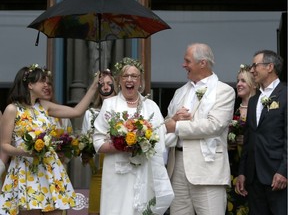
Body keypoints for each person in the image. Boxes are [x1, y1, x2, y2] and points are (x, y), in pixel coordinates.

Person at [0, 64, 98, 215]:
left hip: (49, 168)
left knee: (57, 211)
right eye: (42, 81)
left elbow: (77, 111)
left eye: (47, 81)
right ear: (30, 85)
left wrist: (93, 87)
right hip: (26, 169)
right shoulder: (12, 109)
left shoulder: (44, 105)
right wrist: (26, 152)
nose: (46, 85)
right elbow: (4, 145)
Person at [93, 57, 174, 215]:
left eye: (134, 76)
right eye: (125, 76)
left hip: (145, 172)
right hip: (118, 175)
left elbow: (161, 140)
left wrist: (171, 126)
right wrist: (121, 145)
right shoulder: (110, 105)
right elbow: (97, 142)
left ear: (140, 81)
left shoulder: (151, 106)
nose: (129, 79)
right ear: (119, 81)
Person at [165, 43, 235, 215]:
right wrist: (173, 120)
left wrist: (178, 126)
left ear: (202, 63)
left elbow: (214, 125)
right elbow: (167, 122)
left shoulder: (223, 91)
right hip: (177, 165)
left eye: (187, 61)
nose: (183, 65)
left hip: (207, 168)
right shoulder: (180, 92)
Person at [235, 50, 287, 215]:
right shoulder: (254, 100)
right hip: (253, 177)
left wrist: (284, 171)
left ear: (270, 67)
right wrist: (242, 172)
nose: (252, 70)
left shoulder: (285, 95)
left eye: (255, 65)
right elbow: (249, 138)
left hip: (277, 176)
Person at [81, 69, 117, 215]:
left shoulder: (124, 109)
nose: (106, 87)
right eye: (102, 84)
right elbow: (84, 140)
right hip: (99, 172)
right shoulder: (91, 113)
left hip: (119, 168)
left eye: (110, 83)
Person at [226, 64, 257, 215]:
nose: (238, 84)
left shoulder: (260, 110)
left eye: (243, 81)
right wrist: (229, 142)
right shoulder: (233, 110)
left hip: (253, 170)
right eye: (238, 81)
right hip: (234, 168)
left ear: (253, 84)